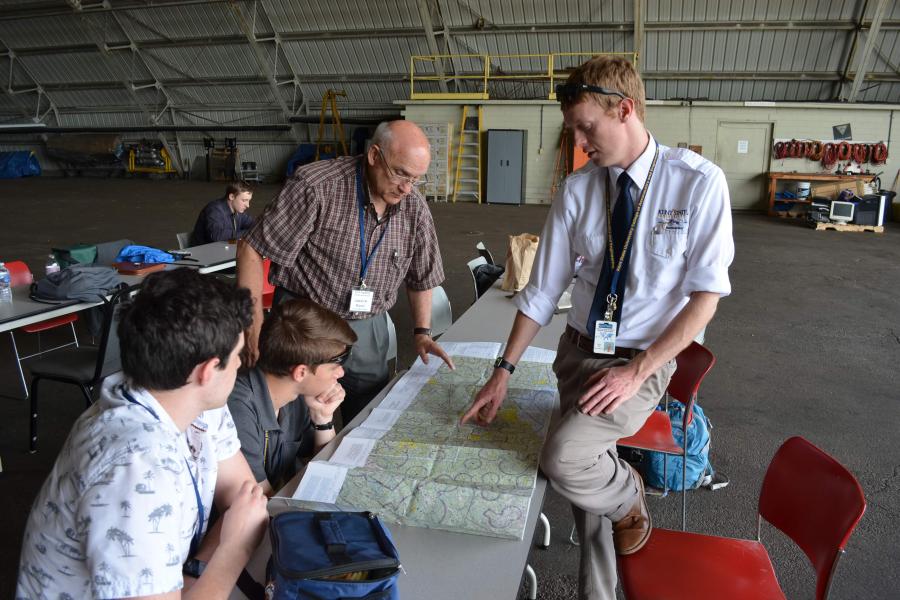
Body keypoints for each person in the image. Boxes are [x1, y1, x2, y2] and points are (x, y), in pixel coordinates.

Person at [462, 56, 734, 600]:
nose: (582, 143)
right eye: (574, 131)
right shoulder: (578, 189)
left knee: (565, 456)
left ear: (626, 109)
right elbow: (541, 293)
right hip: (578, 352)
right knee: (589, 485)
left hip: (642, 361)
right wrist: (503, 372)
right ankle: (601, 594)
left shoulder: (696, 184)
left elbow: (705, 300)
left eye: (588, 127)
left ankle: (630, 494)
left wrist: (636, 373)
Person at [17, 269, 269, 600]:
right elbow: (245, 515)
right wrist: (233, 546)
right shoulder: (135, 468)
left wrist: (206, 562)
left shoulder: (190, 399)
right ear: (208, 371)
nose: (240, 367)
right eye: (237, 357)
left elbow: (244, 495)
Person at [237, 120, 454, 424]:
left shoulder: (414, 207)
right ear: (374, 156)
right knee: (290, 422)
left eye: (416, 179)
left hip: (368, 326)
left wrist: (422, 332)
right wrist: (253, 326)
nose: (407, 188)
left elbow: (423, 275)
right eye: (401, 173)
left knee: (365, 418)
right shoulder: (317, 186)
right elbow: (252, 248)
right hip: (304, 326)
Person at [228, 298, 356, 495]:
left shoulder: (294, 394)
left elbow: (326, 470)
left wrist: (323, 419)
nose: (340, 373)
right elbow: (263, 501)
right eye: (334, 366)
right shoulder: (238, 409)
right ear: (301, 372)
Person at [190, 180, 255, 245]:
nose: (248, 205)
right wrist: (247, 232)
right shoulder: (214, 210)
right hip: (203, 251)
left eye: (249, 201)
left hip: (224, 248)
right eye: (244, 200)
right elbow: (217, 236)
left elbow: (254, 225)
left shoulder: (238, 210)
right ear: (231, 197)